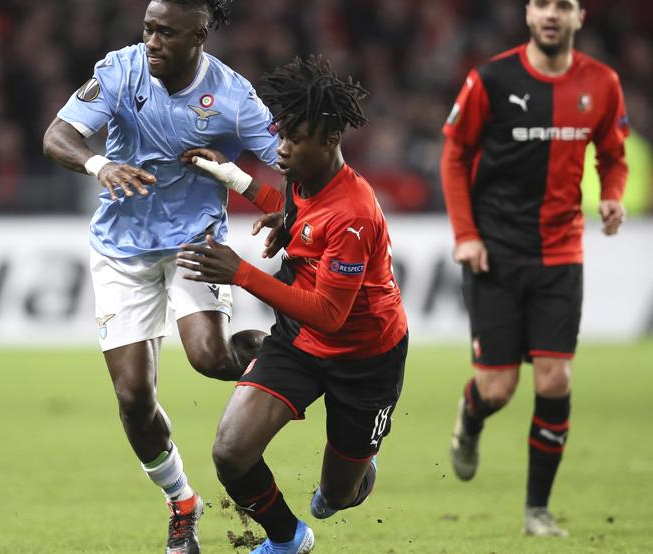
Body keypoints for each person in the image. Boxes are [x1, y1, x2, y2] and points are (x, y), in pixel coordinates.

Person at [41, 1, 279, 552]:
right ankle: (182, 504)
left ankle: (302, 359)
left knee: (211, 359)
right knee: (133, 398)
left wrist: (247, 183)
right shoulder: (120, 71)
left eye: (165, 33)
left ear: (199, 35)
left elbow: (292, 160)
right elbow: (58, 135)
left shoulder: (235, 97)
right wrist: (100, 165)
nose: (151, 41)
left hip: (196, 242)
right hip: (121, 250)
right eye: (147, 28)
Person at [176, 56, 409, 554]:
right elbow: (293, 210)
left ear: (329, 141)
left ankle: (353, 475)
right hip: (300, 342)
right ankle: (287, 539)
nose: (280, 149)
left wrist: (238, 272)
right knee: (231, 452)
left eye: (293, 139)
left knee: (339, 496)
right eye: (280, 135)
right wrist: (230, 175)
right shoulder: (306, 176)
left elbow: (330, 314)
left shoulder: (353, 214)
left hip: (364, 359)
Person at [441, 0, 629, 538]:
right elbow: (453, 153)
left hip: (560, 252)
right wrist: (466, 234)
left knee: (555, 379)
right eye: (543, 3)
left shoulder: (603, 83)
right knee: (497, 389)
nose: (553, 13)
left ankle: (537, 512)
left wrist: (612, 196)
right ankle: (470, 418)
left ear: (579, 17)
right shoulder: (491, 79)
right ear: (528, 14)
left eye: (564, 5)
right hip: (494, 251)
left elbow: (613, 155)